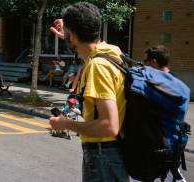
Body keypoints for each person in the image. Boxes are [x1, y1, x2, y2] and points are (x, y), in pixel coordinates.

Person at [48, 2, 128, 182]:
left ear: (74, 35)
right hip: (113, 154)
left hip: (103, 157)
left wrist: (65, 124)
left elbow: (109, 125)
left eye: (68, 33)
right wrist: (68, 36)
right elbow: (88, 53)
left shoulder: (98, 66)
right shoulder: (113, 53)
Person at [136, 45, 187, 182]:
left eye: (144, 61)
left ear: (153, 62)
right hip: (170, 147)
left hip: (158, 148)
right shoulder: (178, 84)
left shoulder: (156, 86)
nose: (143, 65)